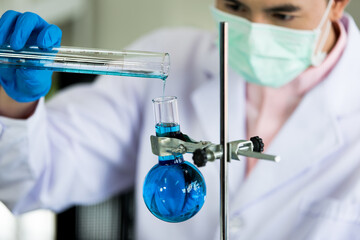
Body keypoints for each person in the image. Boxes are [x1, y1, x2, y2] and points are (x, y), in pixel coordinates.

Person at [0, 0, 357, 239]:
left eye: (282, 15)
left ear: (336, 3)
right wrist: (15, 102)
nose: (254, 30)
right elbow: (34, 178)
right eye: (235, 5)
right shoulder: (174, 56)